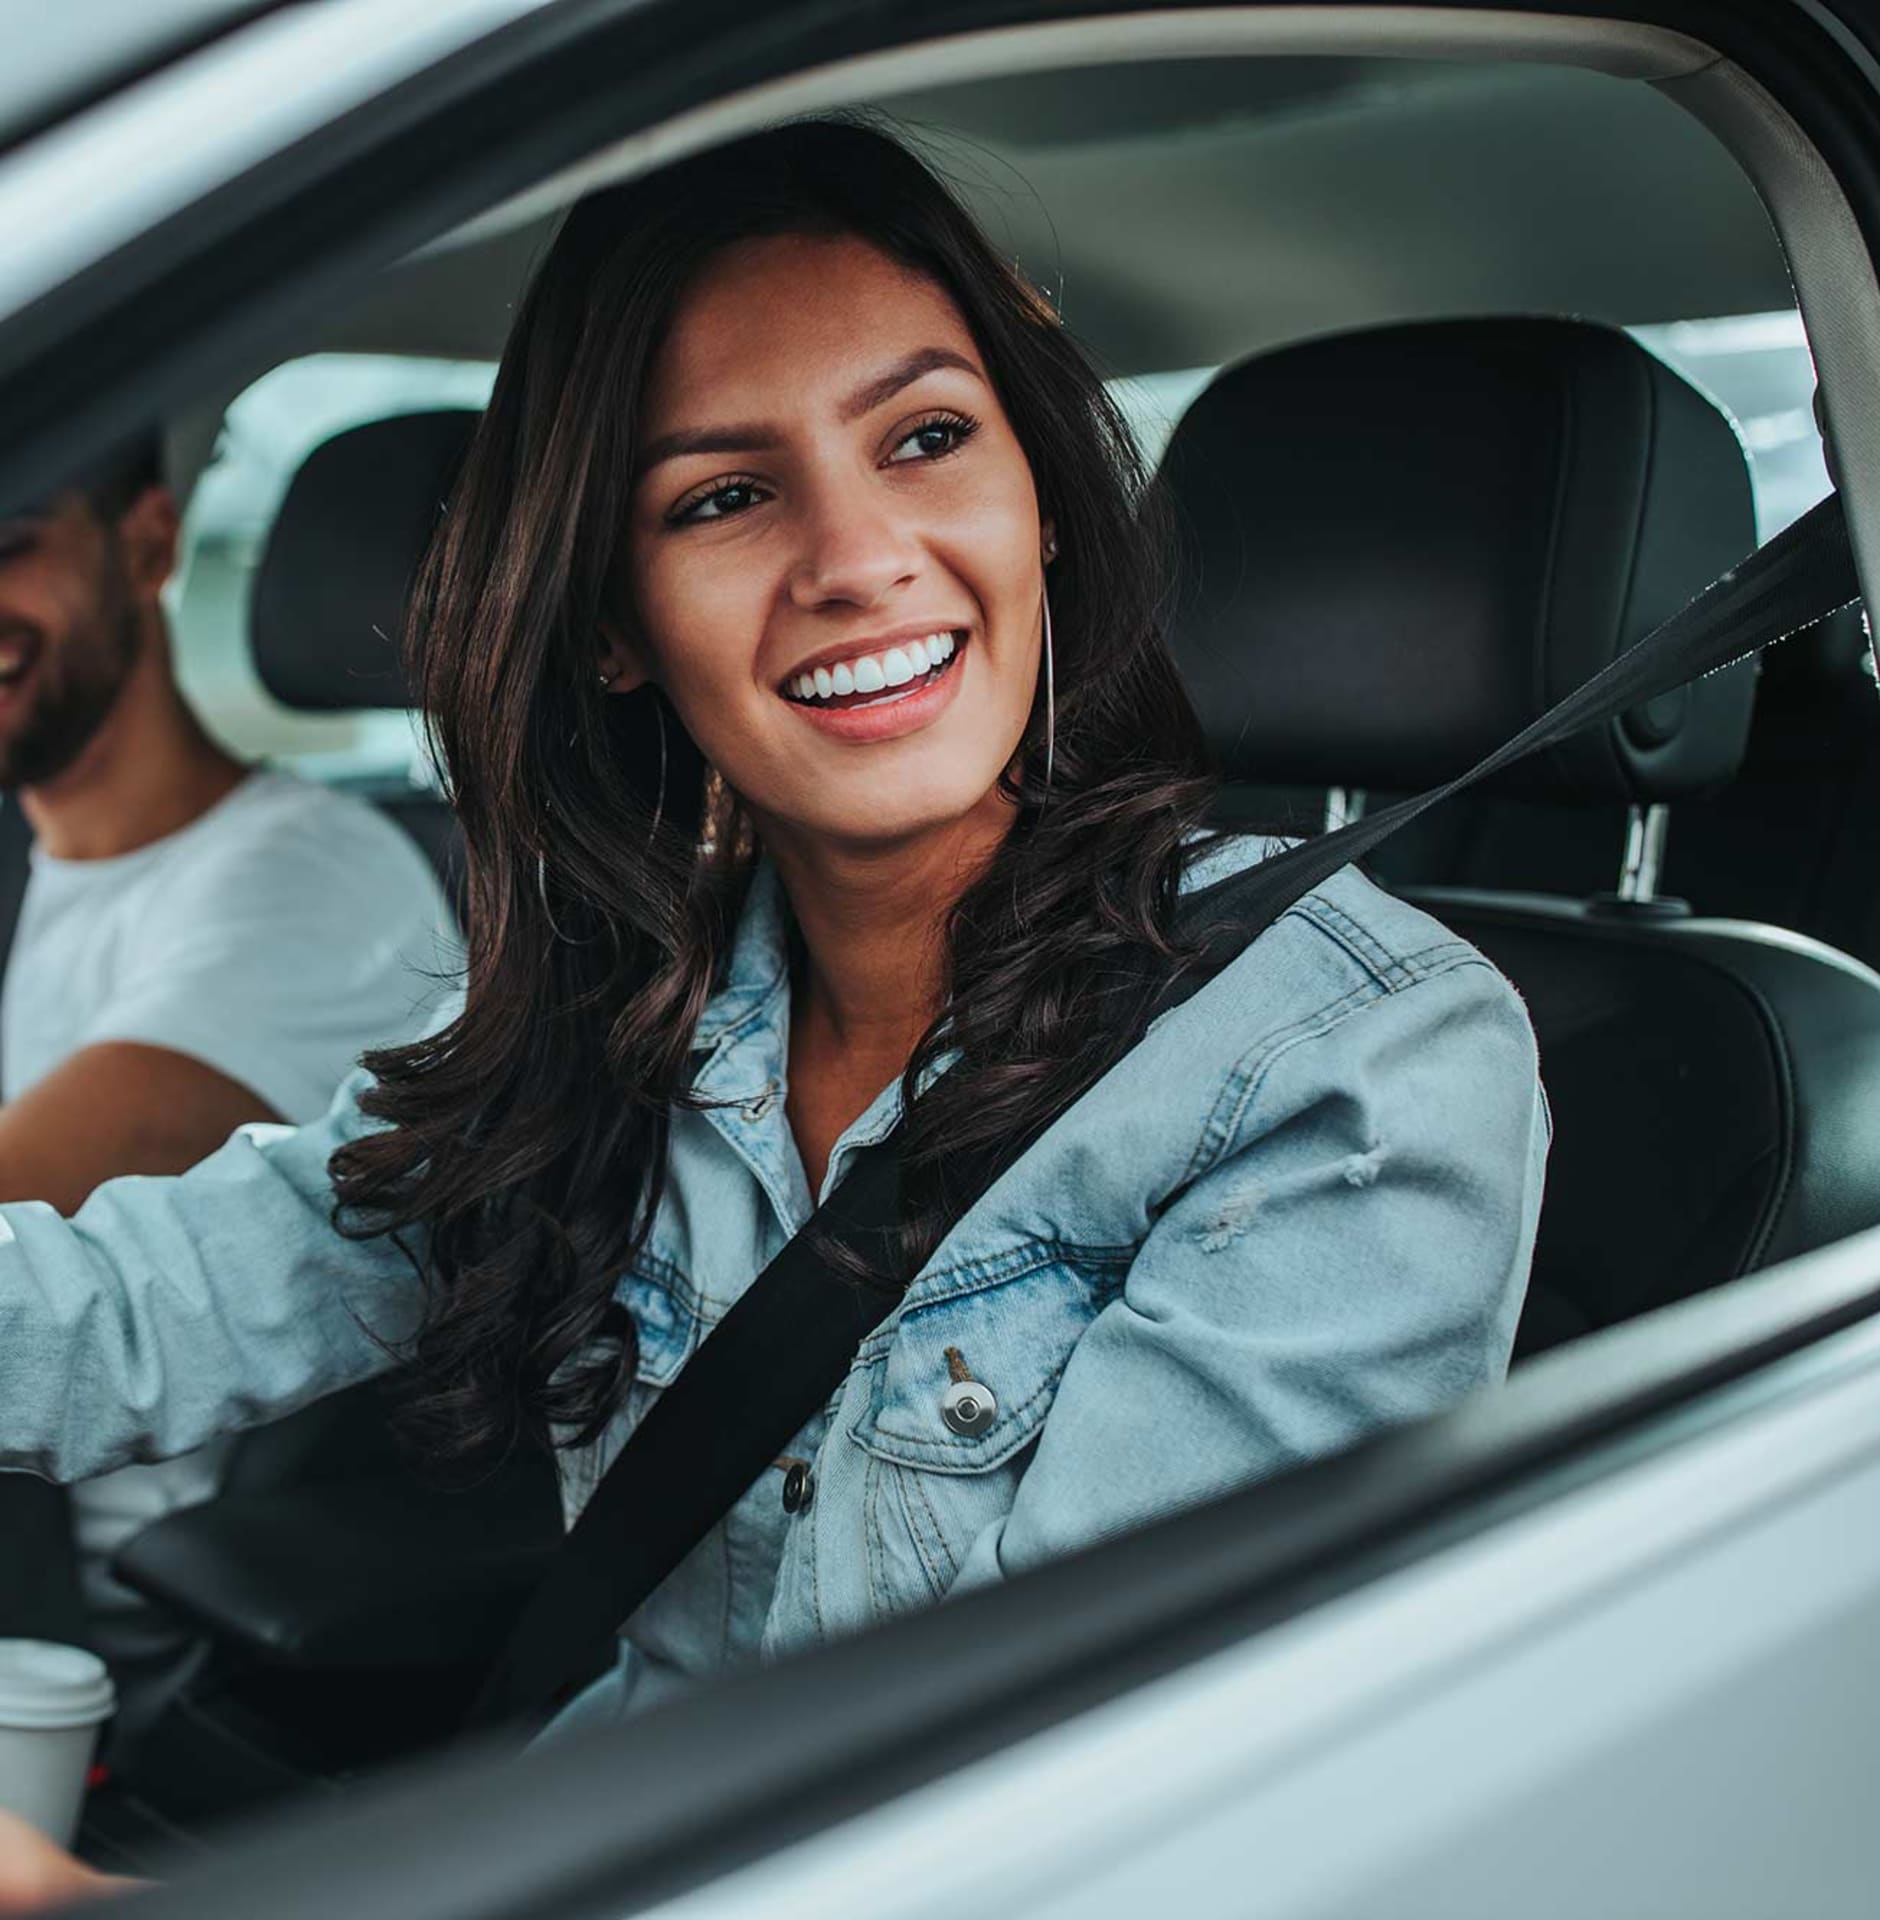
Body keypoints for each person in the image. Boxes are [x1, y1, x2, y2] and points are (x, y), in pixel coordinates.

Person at [0, 116, 1547, 1887]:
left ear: (1041, 500)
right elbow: (134, 1304)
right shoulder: (610, 1023)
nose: (859, 555)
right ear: (609, 622)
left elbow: (1044, 1834)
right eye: (727, 495)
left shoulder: (1344, 1067)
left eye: (929, 439)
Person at [0, 436, 457, 1721]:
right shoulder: (49, 865)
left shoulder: (311, 891)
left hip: (89, 1654)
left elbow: (26, 1227)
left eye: (10, 544)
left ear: (147, 544)